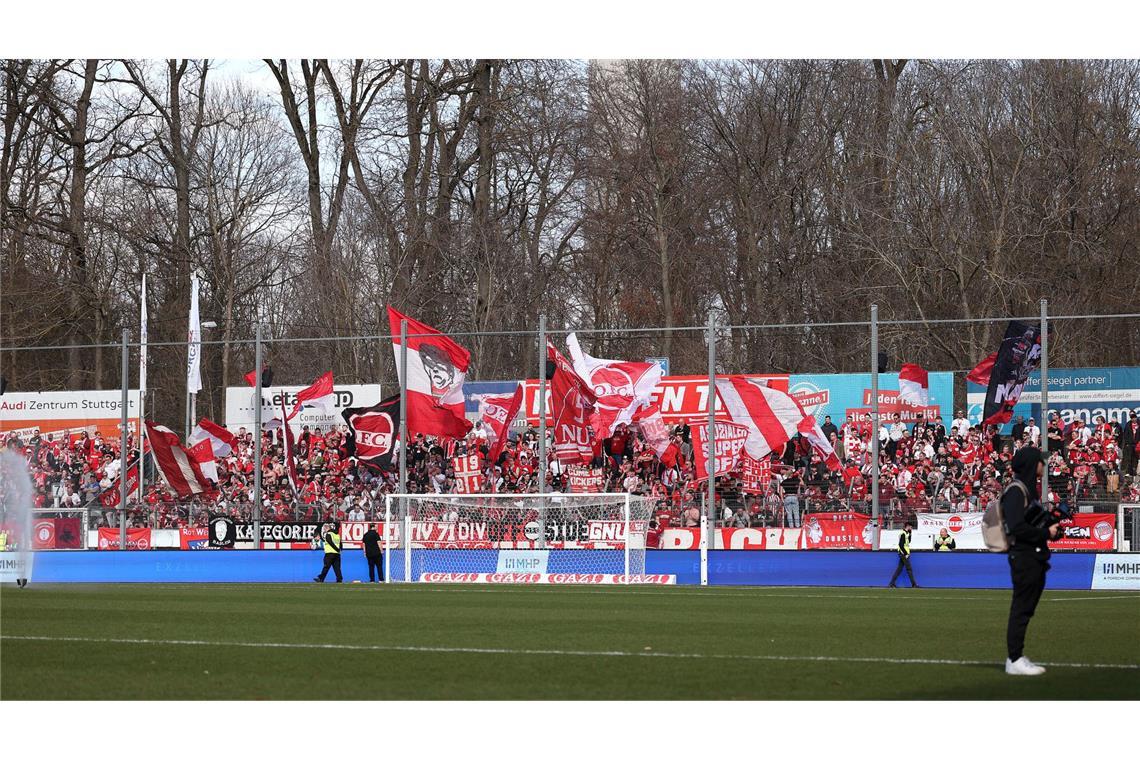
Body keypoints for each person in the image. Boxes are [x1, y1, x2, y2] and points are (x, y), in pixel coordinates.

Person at [1003, 446, 1059, 676]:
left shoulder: (1028, 490)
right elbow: (1016, 526)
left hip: (1033, 556)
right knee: (1021, 608)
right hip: (1024, 557)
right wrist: (1046, 533)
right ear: (1030, 464)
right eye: (1040, 461)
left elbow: (1030, 523)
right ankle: (1014, 658)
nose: (1043, 465)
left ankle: (1016, 657)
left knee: (1026, 608)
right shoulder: (1017, 491)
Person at [888, 522, 919, 588]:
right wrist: (905, 553)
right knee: (909, 569)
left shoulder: (906, 533)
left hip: (904, 553)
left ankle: (891, 583)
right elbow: (901, 545)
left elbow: (909, 541)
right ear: (907, 526)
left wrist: (910, 533)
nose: (911, 528)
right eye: (911, 526)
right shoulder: (903, 534)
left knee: (899, 569)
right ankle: (914, 584)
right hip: (903, 553)